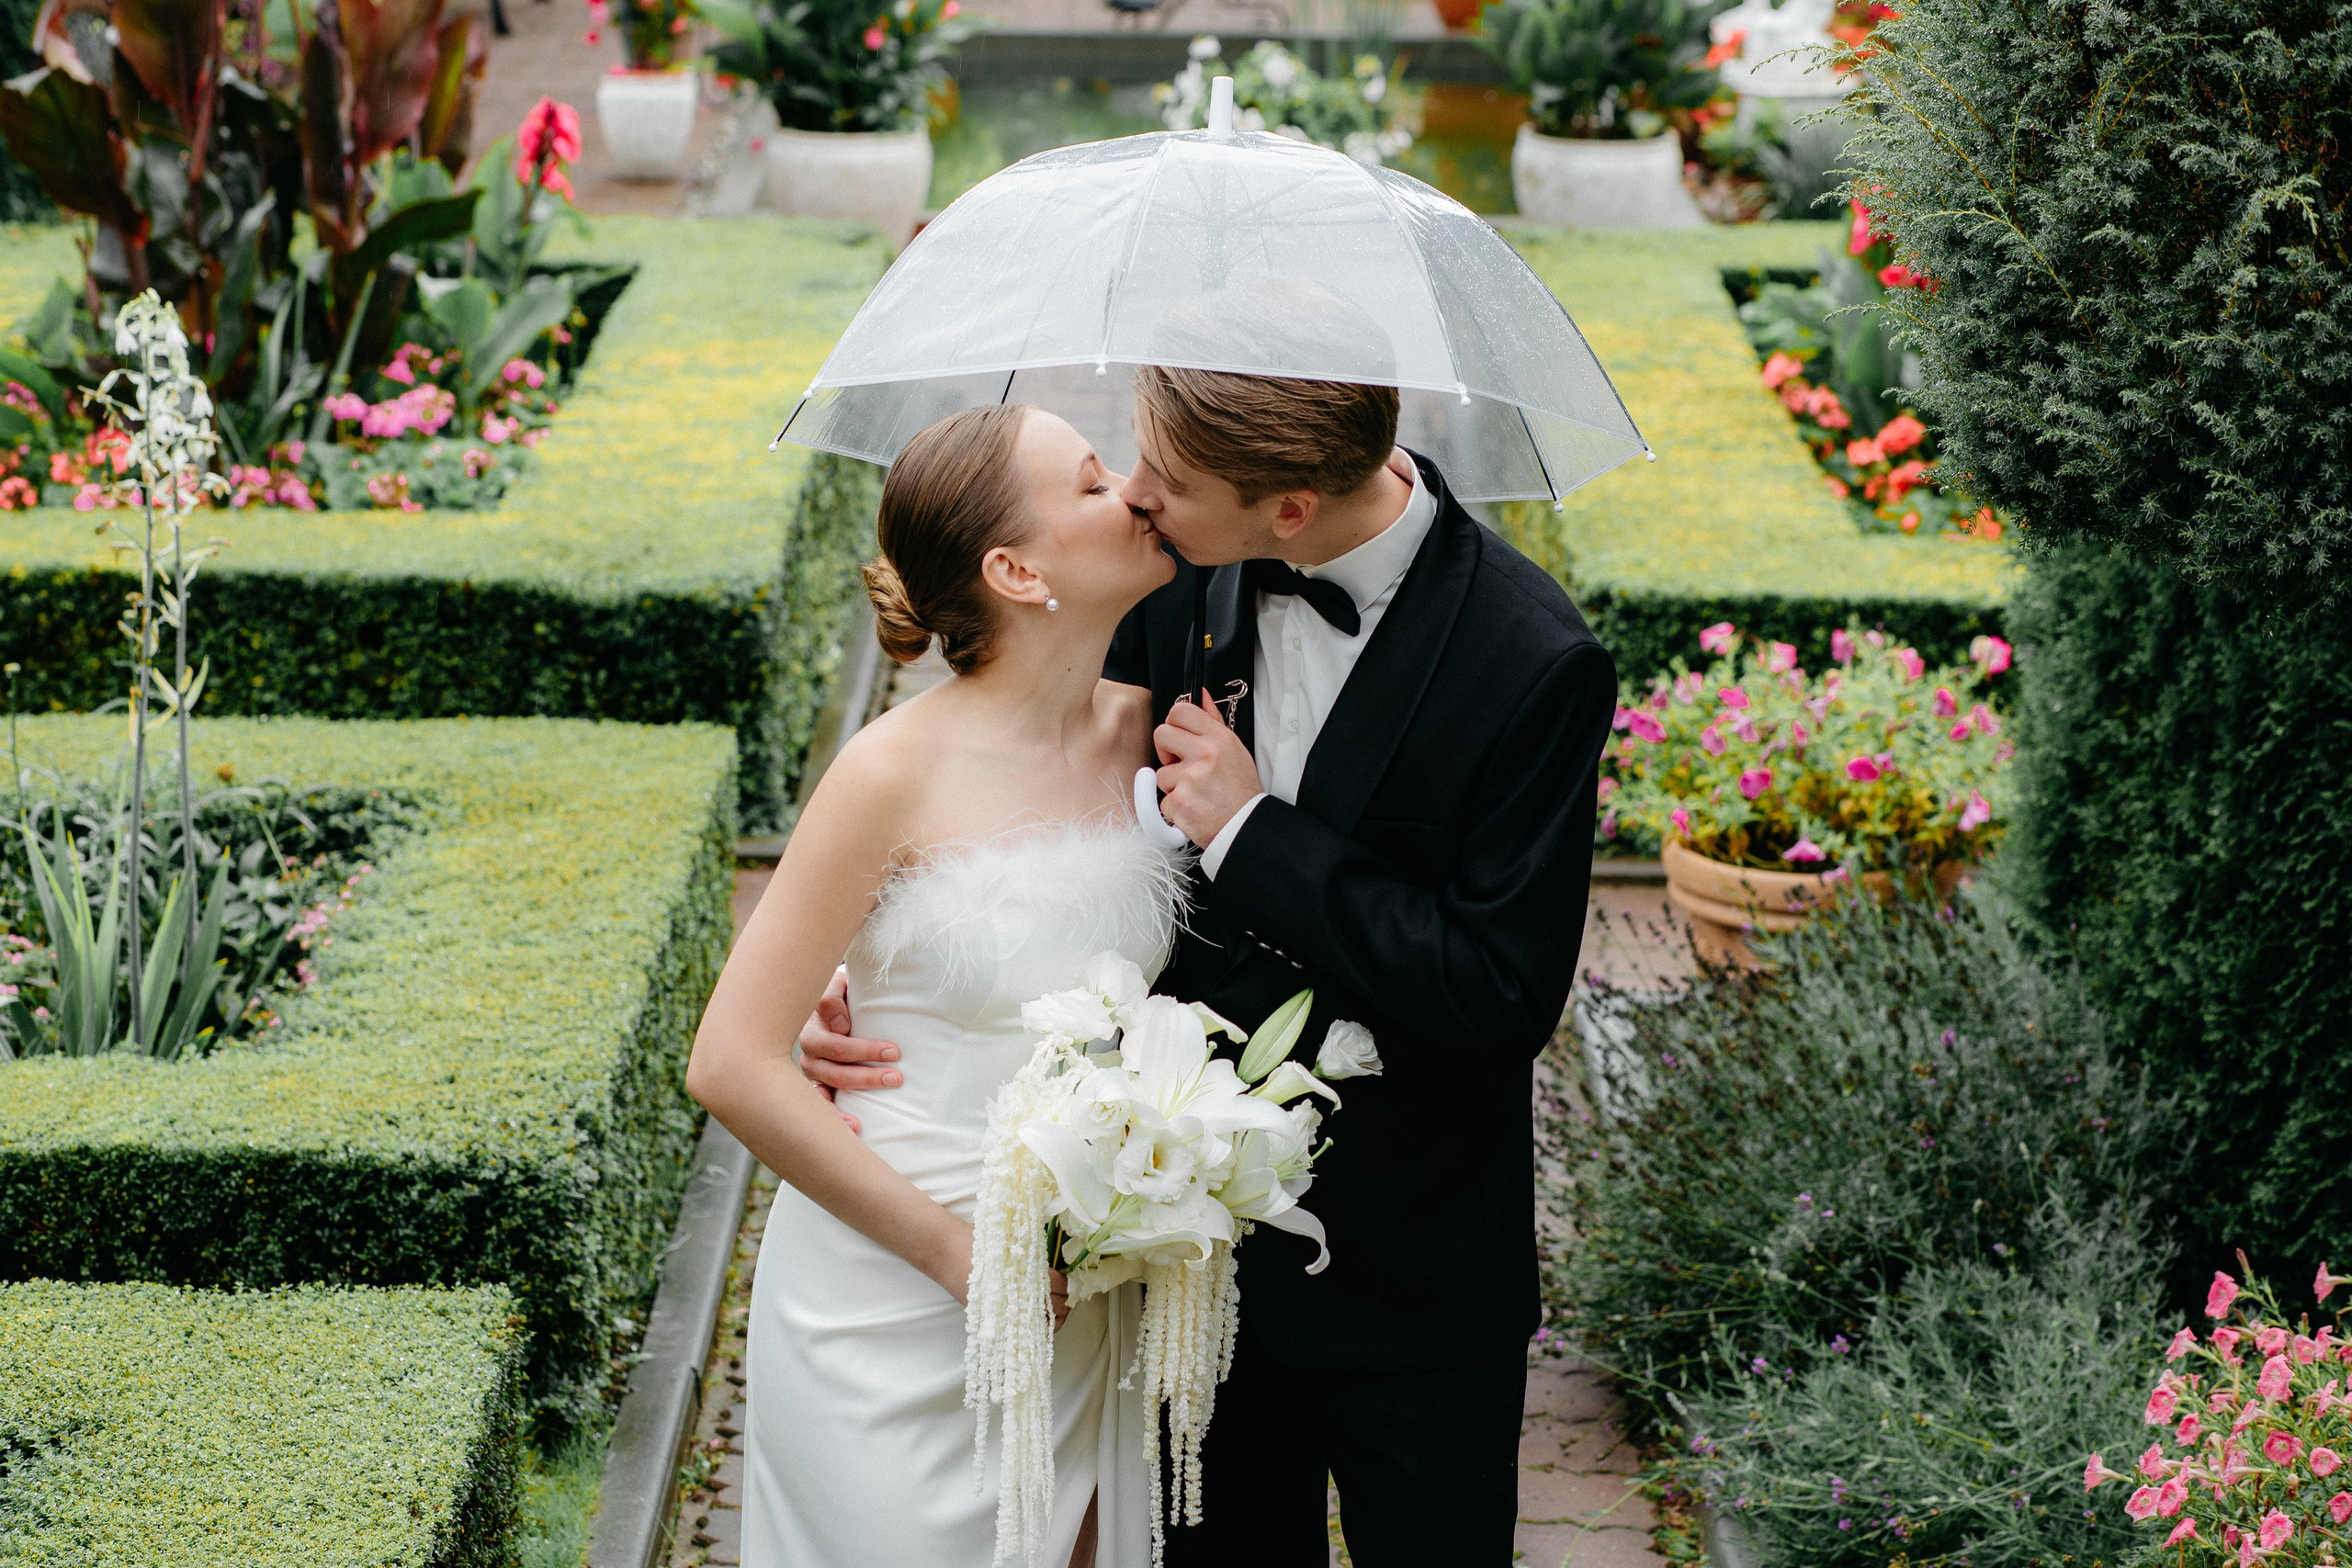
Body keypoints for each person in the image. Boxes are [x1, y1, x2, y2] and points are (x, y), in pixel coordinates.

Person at [800, 366, 1618, 1565]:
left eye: (1167, 480)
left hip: (1418, 1278)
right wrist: (881, 964)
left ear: (1287, 506)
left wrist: (1254, 833)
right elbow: (1041, 788)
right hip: (1186, 1273)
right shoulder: (1165, 570)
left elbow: (1500, 991)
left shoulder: (1533, 658)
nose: (1135, 496)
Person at [688, 402, 1184, 1568]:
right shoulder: (889, 771)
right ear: (1015, 569)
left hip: (1083, 1287)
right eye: (1092, 480)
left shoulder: (1156, 734)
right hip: (892, 1289)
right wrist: (957, 1256)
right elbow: (730, 1060)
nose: (1136, 490)